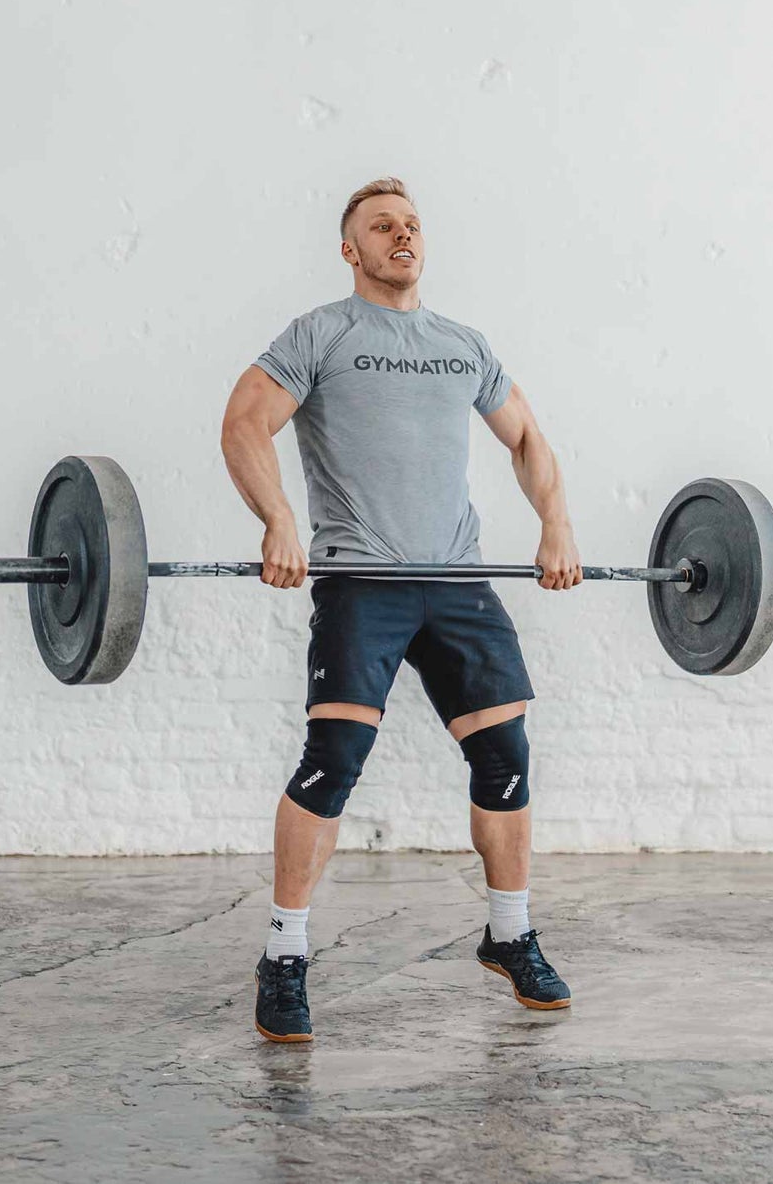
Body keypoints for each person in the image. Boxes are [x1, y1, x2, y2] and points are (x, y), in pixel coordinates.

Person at [219, 177, 581, 1043]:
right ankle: (284, 953)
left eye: (412, 224)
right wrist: (278, 520)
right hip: (363, 581)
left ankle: (509, 933)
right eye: (382, 226)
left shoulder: (463, 345)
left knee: (505, 755)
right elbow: (243, 423)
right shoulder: (322, 334)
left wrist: (557, 524)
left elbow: (527, 438)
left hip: (456, 581)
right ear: (351, 250)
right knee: (333, 760)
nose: (402, 235)